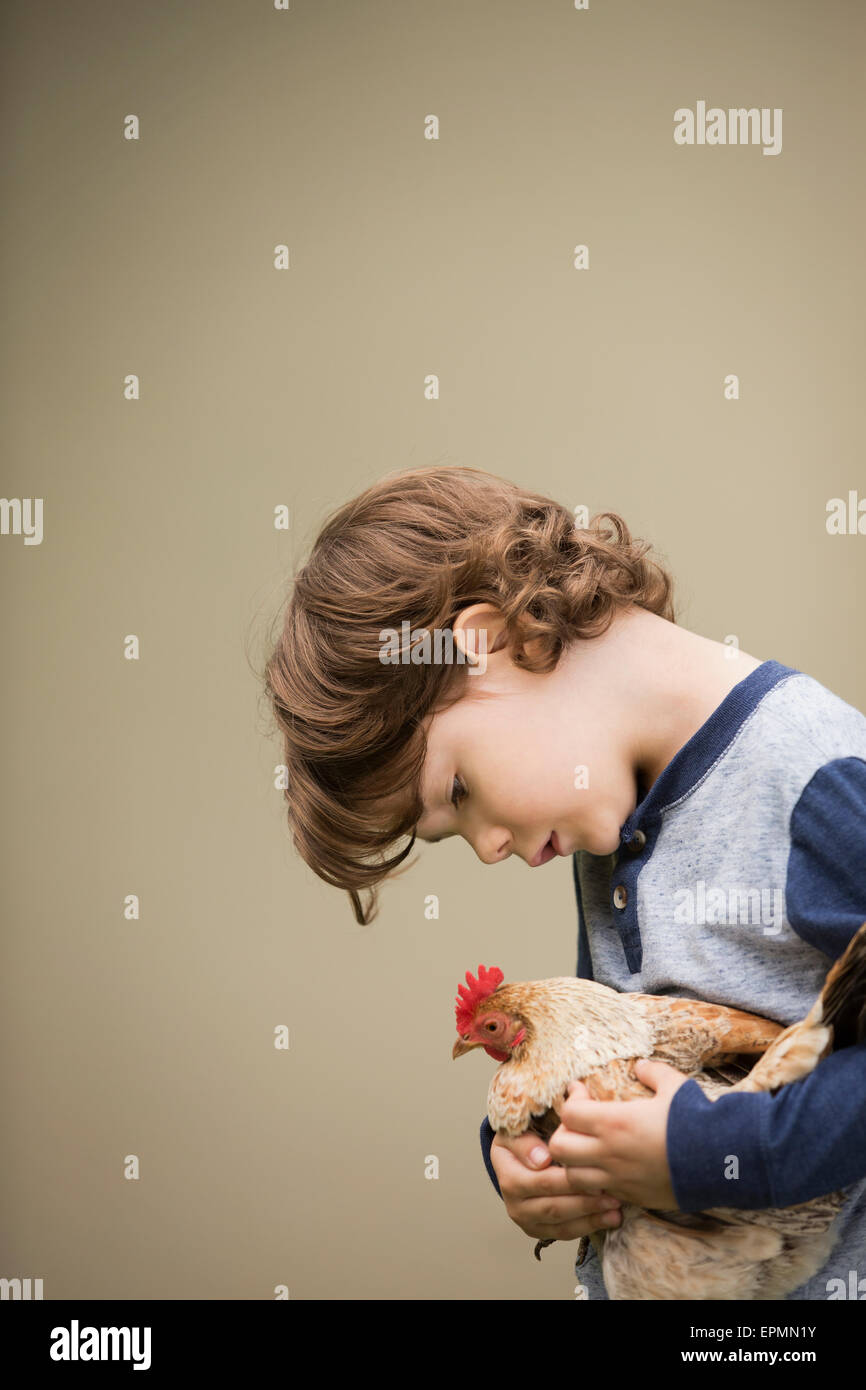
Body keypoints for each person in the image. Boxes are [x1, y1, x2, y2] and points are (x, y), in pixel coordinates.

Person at [263, 463, 866, 1299]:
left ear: (488, 644)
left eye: (460, 792)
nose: (485, 849)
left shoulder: (809, 778)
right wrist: (535, 1153)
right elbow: (614, 1045)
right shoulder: (609, 817)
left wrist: (711, 1155)